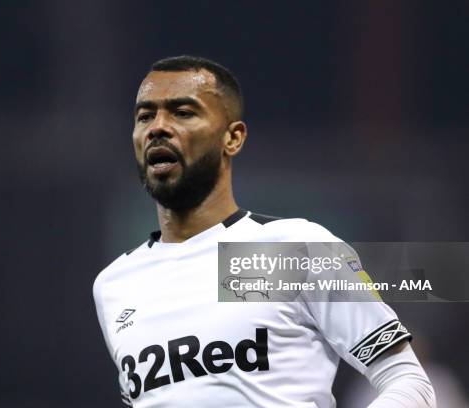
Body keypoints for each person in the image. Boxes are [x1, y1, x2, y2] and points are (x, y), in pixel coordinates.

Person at [92, 55, 436, 407]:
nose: (158, 127)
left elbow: (408, 382)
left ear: (233, 138)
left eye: (183, 112)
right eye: (145, 116)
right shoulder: (115, 285)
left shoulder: (292, 249)